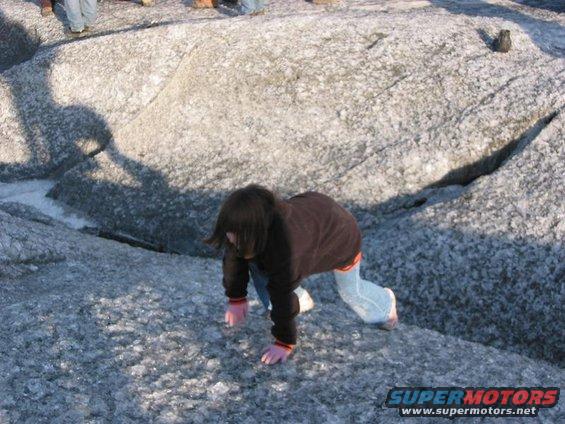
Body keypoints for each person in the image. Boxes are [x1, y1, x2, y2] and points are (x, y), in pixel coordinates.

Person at [205, 185, 398, 365]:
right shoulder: (246, 230)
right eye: (229, 233)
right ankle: (301, 300)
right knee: (257, 264)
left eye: (236, 236)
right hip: (315, 212)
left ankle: (384, 305)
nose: (230, 239)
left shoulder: (287, 250)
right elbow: (234, 258)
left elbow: (281, 294)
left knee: (351, 292)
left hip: (340, 237)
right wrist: (236, 298)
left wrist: (284, 342)